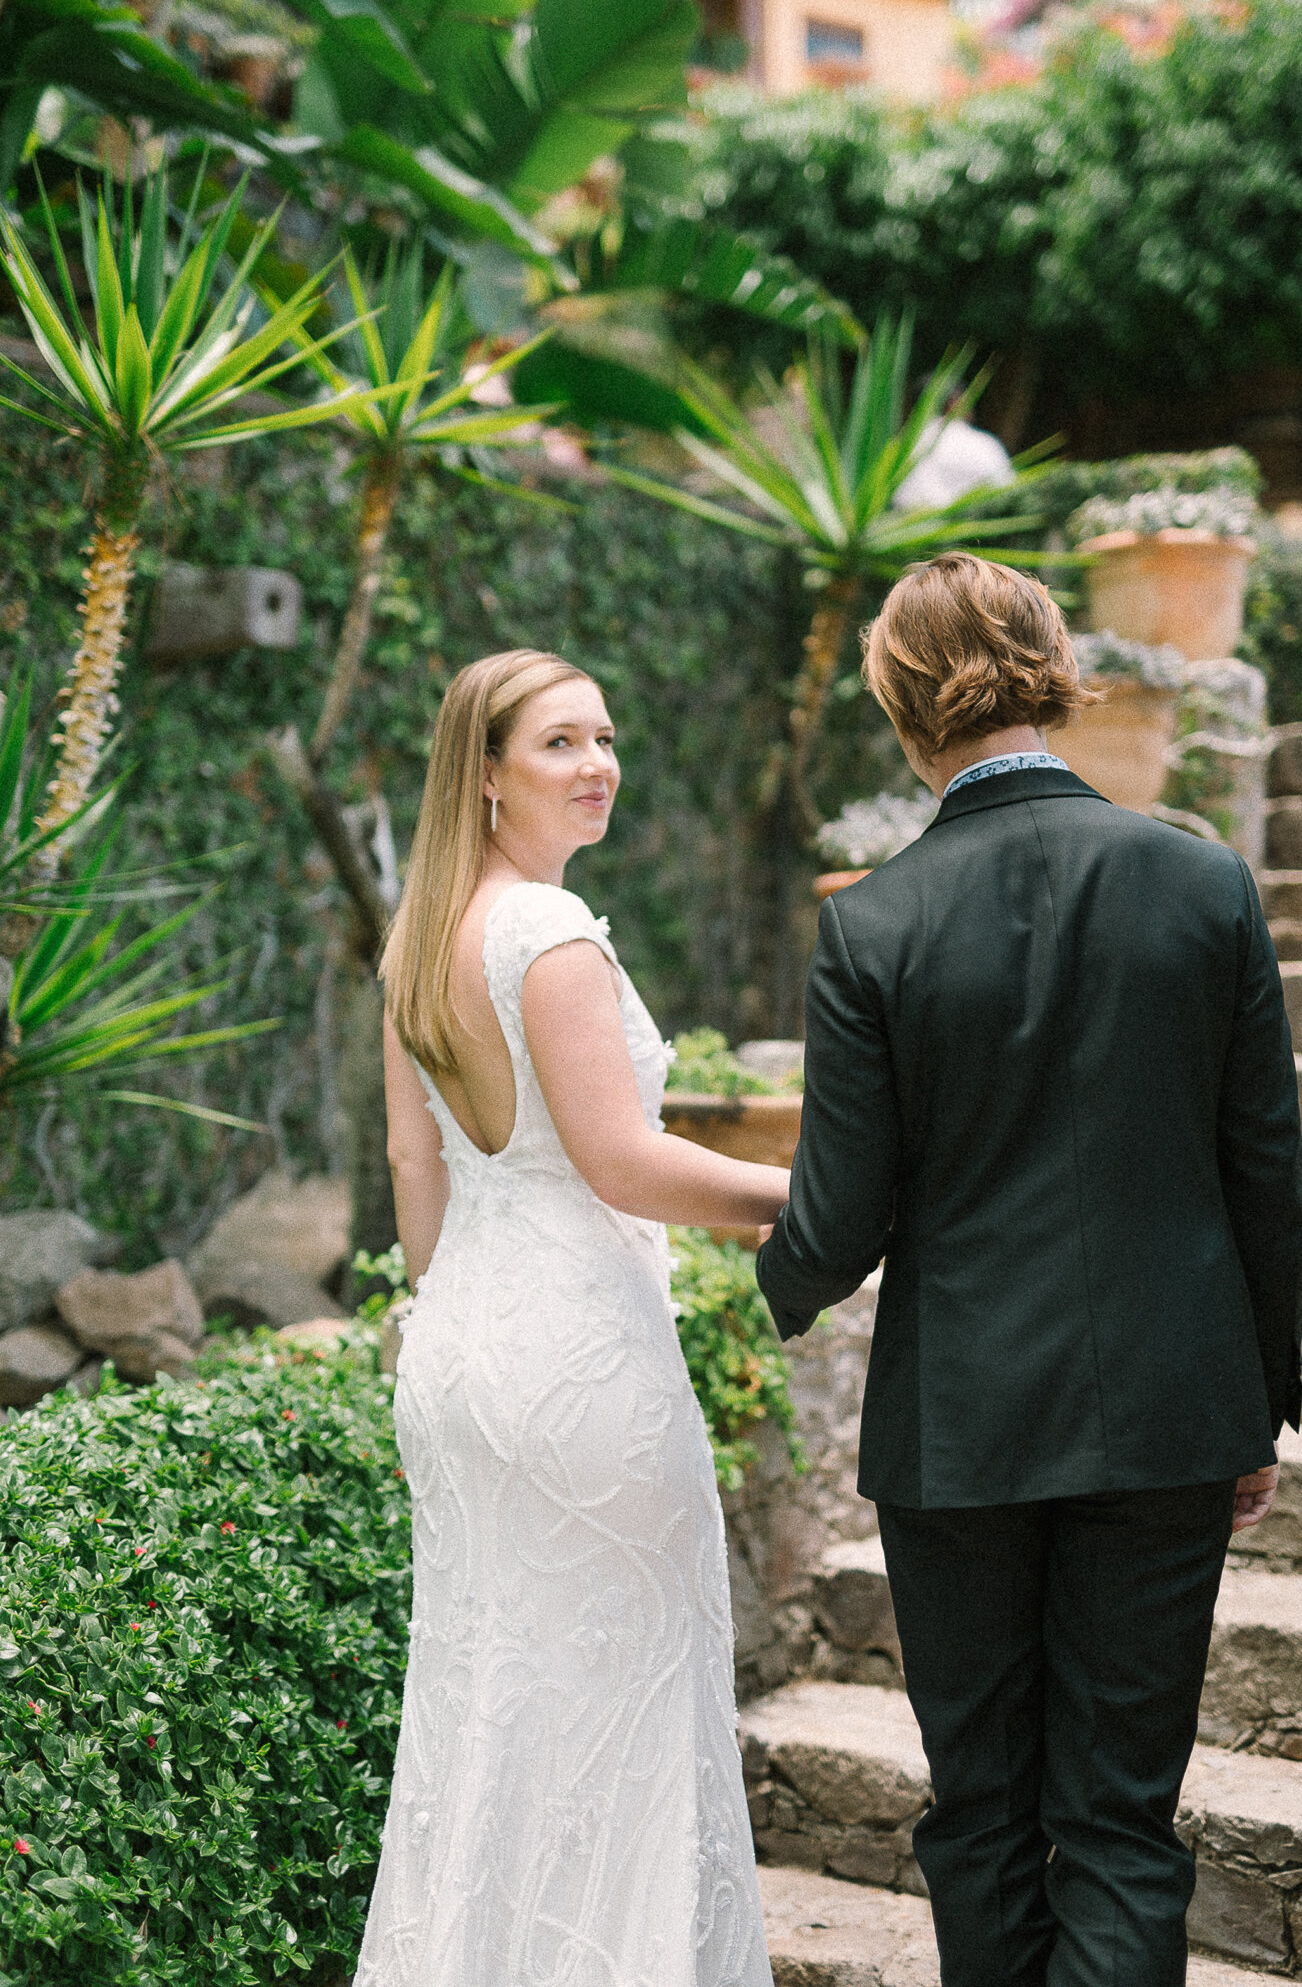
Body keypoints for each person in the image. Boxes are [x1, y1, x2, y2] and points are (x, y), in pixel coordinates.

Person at [756, 554, 1302, 1987]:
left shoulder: (871, 923)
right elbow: (1265, 1175)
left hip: (963, 1436)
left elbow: (839, 1217)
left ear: (897, 699)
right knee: (1122, 1824)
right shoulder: (1202, 882)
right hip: (1174, 1416)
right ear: (1059, 670)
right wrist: (1258, 1406)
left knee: (985, 1812)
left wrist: (750, 1287)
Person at [357, 649, 785, 1987]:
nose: (598, 762)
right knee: (620, 1725)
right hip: (579, 1362)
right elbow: (623, 1159)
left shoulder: (418, 935)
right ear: (485, 774)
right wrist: (821, 1198)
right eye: (559, 743)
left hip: (463, 1353)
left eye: (604, 735)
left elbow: (414, 1168)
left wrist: (439, 1322)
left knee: (492, 1721)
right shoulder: (551, 936)